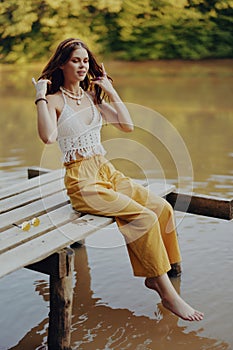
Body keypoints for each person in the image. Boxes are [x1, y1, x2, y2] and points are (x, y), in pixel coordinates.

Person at [32, 38, 204, 322]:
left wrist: (110, 90)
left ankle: (161, 273)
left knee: (163, 209)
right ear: (62, 63)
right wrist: (40, 95)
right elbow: (48, 137)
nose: (82, 65)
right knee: (144, 218)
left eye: (86, 60)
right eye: (76, 60)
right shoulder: (53, 101)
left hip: (107, 170)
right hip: (81, 181)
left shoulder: (91, 98)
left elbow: (127, 125)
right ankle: (167, 293)